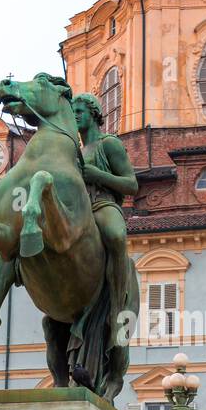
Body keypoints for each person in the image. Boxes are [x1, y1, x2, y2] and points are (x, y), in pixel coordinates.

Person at [72, 93, 138, 345]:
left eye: (80, 111)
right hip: (78, 210)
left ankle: (117, 301)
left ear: (94, 115)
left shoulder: (108, 144)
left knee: (116, 234)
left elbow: (131, 184)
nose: (75, 115)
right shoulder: (74, 151)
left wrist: (98, 174)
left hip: (102, 204)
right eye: (73, 111)